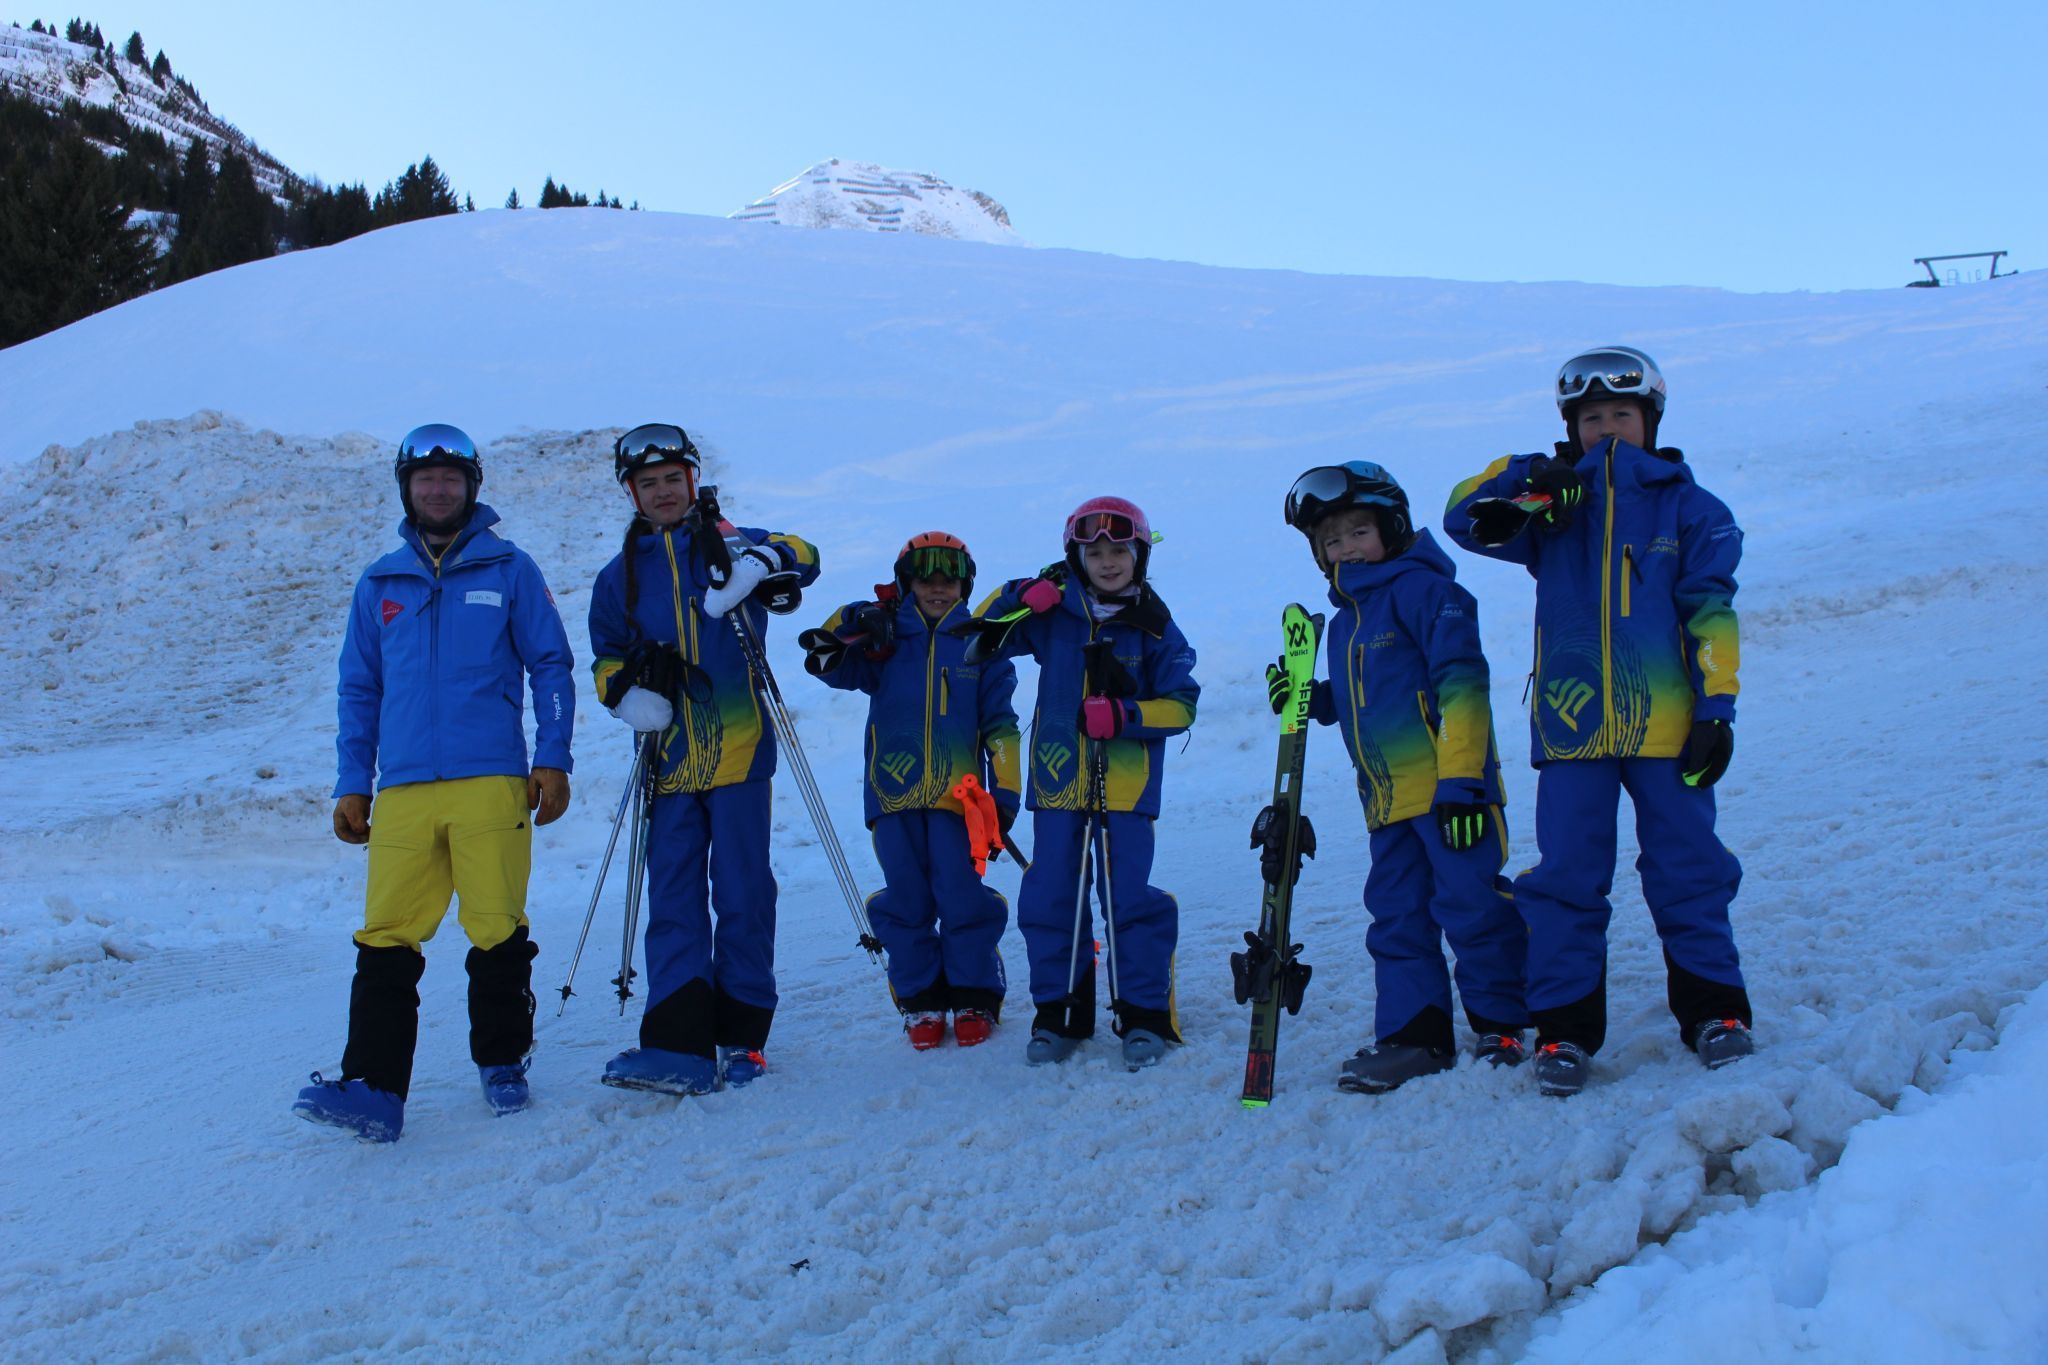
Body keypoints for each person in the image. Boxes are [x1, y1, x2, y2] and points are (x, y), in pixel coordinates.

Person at [1443, 345, 1751, 1097]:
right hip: (1572, 731)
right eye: (1590, 418)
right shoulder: (1551, 511)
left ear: (1650, 420)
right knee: (1567, 879)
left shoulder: (1693, 508)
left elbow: (1712, 614)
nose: (1606, 428)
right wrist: (1531, 476)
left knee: (1688, 867)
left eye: (1621, 413)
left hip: (1669, 728)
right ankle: (1564, 1029)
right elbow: (1461, 518)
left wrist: (1717, 709)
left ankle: (1715, 1012)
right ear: (1569, 428)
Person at [295, 423, 576, 1143]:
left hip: (491, 781)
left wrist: (553, 757)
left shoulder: (510, 569)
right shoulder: (380, 582)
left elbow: (551, 665)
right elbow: (359, 689)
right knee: (387, 935)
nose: (439, 489)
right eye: (426, 479)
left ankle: (503, 1061)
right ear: (407, 489)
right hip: (405, 789)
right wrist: (353, 780)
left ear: (472, 486)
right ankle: (374, 1089)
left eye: (452, 478)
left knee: (497, 927)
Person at [1275, 462, 1528, 1093]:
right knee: (1397, 916)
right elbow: (1367, 699)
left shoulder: (1427, 592)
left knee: (1471, 907)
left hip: (1451, 792)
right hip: (1387, 802)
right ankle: (1416, 1035)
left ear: (1391, 528)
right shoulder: (1345, 622)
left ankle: (1502, 1024)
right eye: (1331, 541)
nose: (1346, 548)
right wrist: (1312, 698)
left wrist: (1463, 782)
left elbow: (1462, 685)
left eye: (1358, 532)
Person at [587, 423, 820, 1096]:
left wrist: (763, 561)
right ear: (631, 493)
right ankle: (679, 1042)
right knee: (673, 896)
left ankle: (743, 1036)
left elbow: (806, 554)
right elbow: (604, 653)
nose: (663, 492)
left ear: (693, 480)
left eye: (673, 479)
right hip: (667, 759)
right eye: (648, 483)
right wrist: (624, 695)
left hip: (740, 752)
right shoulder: (619, 577)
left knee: (744, 890)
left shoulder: (731, 544)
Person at [972, 496, 1199, 1070]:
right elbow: (983, 634)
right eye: (1093, 553)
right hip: (1057, 786)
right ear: (1076, 559)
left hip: (1126, 789)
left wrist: (1127, 716)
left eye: (1119, 550)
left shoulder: (1154, 625)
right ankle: (1060, 1015)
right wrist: (1023, 593)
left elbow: (1182, 706)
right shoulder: (1053, 619)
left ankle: (1144, 1015)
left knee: (1129, 900)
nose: (1107, 562)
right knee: (1053, 897)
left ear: (1139, 554)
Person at [801, 532, 1023, 1049]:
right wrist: (858, 617)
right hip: (891, 796)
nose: (938, 588)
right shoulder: (882, 641)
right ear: (905, 584)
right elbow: (823, 657)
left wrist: (1006, 793)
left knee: (961, 894)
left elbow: (1002, 726)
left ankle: (974, 994)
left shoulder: (981, 644)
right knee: (906, 898)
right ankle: (920, 998)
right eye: (925, 579)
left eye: (950, 579)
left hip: (960, 801)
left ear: (966, 586)